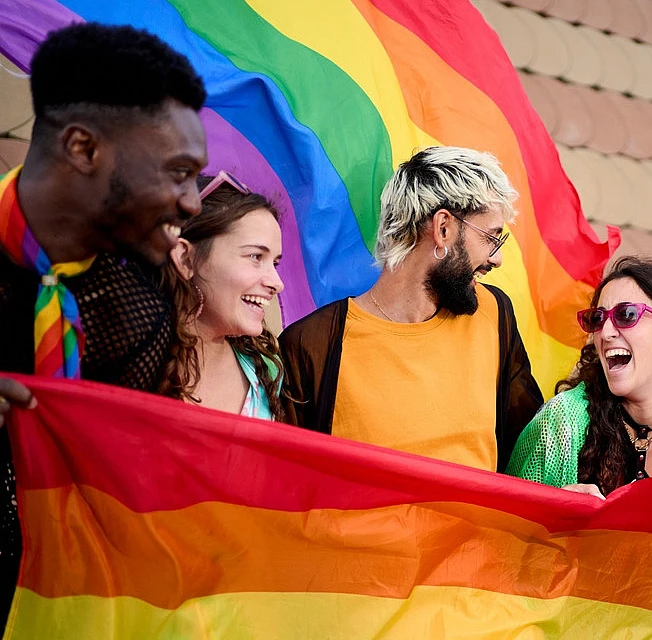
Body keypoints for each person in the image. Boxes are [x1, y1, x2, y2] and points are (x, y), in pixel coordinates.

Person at [0, 23, 207, 618]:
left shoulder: (139, 307)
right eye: (178, 171)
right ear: (83, 149)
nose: (194, 201)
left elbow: (110, 500)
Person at [280, 146, 542, 471]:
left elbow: (533, 453)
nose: (496, 258)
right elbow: (287, 484)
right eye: (490, 237)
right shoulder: (313, 345)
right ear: (443, 228)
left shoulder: (494, 312)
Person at [506, 258, 652, 497]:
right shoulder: (563, 420)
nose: (606, 332)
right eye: (598, 319)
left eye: (627, 314)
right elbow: (511, 521)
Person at [158, 172, 285, 420]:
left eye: (275, 263)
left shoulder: (265, 371)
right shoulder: (129, 365)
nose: (276, 283)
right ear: (186, 258)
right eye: (255, 257)